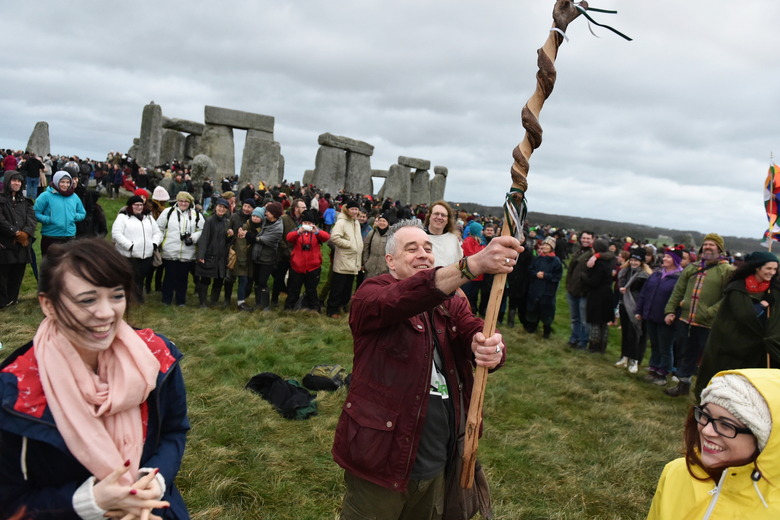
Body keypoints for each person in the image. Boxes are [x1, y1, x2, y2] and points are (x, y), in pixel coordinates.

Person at [332, 219, 521, 520]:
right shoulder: (371, 295)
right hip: (382, 457)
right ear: (390, 261)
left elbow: (473, 329)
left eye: (427, 248)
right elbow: (402, 298)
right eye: (411, 249)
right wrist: (471, 265)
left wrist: (489, 348)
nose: (423, 254)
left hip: (439, 454)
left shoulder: (451, 300)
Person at [0, 238, 190, 519]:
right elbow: (9, 503)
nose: (106, 313)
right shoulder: (14, 394)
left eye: (116, 295)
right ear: (48, 304)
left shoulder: (157, 358)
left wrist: (153, 481)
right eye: (87, 299)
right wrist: (89, 502)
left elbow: (174, 430)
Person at [646, 369, 780, 519]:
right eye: (705, 415)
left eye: (726, 425)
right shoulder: (677, 472)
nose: (707, 431)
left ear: (767, 441)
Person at [693, 251, 780, 398]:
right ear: (757, 267)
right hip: (734, 345)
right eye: (768, 268)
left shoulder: (775, 290)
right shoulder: (737, 288)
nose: (772, 272)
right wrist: (764, 304)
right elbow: (744, 315)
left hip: (760, 349)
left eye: (775, 269)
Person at [664, 233, 734, 397]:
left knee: (708, 359)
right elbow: (678, 290)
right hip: (686, 320)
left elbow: (728, 297)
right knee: (686, 354)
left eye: (712, 245)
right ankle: (683, 386)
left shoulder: (727, 270)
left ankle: (706, 393)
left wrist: (710, 312)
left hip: (708, 324)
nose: (708, 247)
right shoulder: (692, 268)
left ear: (719, 249)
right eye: (706, 244)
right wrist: (670, 310)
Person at [635, 247, 684, 386]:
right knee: (655, 344)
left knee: (665, 346)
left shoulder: (679, 278)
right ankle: (653, 368)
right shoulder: (656, 274)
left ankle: (663, 372)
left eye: (669, 257)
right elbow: (644, 293)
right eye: (665, 256)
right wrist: (640, 310)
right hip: (651, 315)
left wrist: (672, 314)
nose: (665, 259)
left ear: (675, 261)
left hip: (666, 319)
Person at [111, 195, 163, 303]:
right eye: (136, 205)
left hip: (146, 254)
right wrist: (129, 246)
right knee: (129, 277)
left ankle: (138, 298)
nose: (139, 207)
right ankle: (125, 298)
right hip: (128, 255)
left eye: (141, 205)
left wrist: (154, 244)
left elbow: (157, 232)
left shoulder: (148, 217)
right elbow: (116, 234)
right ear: (130, 206)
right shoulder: (123, 217)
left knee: (140, 278)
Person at [157, 192, 203, 306]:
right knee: (169, 277)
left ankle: (180, 300)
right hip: (170, 250)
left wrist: (193, 238)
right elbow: (159, 228)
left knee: (183, 278)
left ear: (190, 202)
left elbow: (202, 230)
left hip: (187, 252)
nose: (183, 203)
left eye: (186, 201)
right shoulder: (168, 212)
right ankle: (166, 299)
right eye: (181, 201)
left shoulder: (196, 215)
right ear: (177, 201)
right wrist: (158, 243)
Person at [0, 171, 36, 308]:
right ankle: (2, 303)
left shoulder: (25, 202)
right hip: (5, 243)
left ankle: (12, 299)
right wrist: (15, 232)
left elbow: (31, 219)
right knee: (3, 275)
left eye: (19, 181)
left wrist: (26, 234)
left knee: (17, 273)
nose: (17, 183)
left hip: (22, 244)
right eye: (14, 181)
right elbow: (1, 220)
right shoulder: (1, 200)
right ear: (8, 181)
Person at [614, 246, 651, 373]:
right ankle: (624, 357)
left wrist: (640, 311)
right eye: (632, 260)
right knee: (625, 333)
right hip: (624, 305)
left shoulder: (644, 276)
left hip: (635, 308)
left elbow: (645, 294)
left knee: (634, 334)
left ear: (641, 262)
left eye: (636, 260)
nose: (633, 263)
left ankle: (634, 360)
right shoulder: (624, 272)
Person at [284, 210, 330, 312]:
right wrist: (298, 232)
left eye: (309, 223)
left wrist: (316, 231)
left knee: (311, 290)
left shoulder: (316, 232)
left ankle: (314, 308)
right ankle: (289, 307)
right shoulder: (297, 231)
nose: (307, 225)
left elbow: (326, 237)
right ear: (302, 223)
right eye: (305, 223)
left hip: (313, 267)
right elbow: (289, 237)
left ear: (313, 224)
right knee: (293, 289)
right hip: (297, 266)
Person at [33, 171, 86, 256]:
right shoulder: (46, 196)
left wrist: (75, 216)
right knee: (50, 265)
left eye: (68, 182)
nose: (65, 185)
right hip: (51, 236)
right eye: (62, 182)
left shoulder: (74, 196)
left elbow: (82, 212)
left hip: (70, 236)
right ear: (56, 181)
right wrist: (47, 219)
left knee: (68, 265)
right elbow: (35, 212)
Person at [326, 200, 363, 318]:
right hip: (343, 259)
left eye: (356, 209)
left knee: (347, 287)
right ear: (347, 210)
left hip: (354, 260)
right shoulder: (341, 222)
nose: (354, 211)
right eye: (352, 209)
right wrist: (349, 244)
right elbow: (334, 237)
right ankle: (332, 310)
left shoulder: (356, 222)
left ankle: (342, 306)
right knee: (338, 287)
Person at [195, 198, 233, 308]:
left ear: (226, 210)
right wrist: (201, 255)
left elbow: (226, 241)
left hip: (221, 256)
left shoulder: (227, 222)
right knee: (205, 279)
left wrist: (229, 236)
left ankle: (214, 301)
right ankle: (202, 303)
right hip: (210, 254)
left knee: (219, 279)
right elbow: (204, 238)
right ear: (216, 207)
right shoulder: (210, 221)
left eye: (224, 207)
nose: (221, 209)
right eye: (220, 206)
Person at [582, 238, 616, 354]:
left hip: (597, 294)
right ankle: (603, 346)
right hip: (607, 293)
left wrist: (584, 277)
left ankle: (594, 345)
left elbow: (594, 281)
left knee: (595, 321)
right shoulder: (611, 260)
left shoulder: (598, 263)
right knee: (604, 322)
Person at [525, 236, 563, 338]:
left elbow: (557, 276)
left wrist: (546, 275)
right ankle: (532, 327)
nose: (545, 246)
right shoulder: (537, 259)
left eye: (548, 245)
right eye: (544, 244)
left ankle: (547, 331)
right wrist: (535, 274)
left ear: (552, 247)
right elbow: (530, 270)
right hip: (535, 288)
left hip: (547, 291)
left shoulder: (556, 261)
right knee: (533, 308)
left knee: (546, 311)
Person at [565, 231, 595, 350]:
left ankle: (583, 342)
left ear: (593, 240)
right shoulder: (578, 251)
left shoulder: (593, 253)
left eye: (588, 238)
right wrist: (568, 285)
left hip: (584, 292)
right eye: (584, 238)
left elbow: (609, 255)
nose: (585, 240)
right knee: (574, 318)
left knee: (584, 320)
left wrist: (596, 256)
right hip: (572, 289)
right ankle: (574, 338)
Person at [251, 202, 284, 311]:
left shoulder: (278, 228)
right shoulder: (265, 221)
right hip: (257, 256)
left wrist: (249, 236)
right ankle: (258, 303)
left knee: (262, 281)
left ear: (274, 214)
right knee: (257, 280)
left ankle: (265, 306)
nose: (266, 213)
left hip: (268, 258)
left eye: (268, 212)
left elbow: (263, 239)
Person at [235, 207, 264, 312]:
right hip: (243, 258)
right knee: (243, 280)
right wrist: (242, 259)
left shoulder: (261, 228)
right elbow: (240, 244)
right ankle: (240, 303)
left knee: (248, 280)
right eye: (254, 216)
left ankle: (243, 299)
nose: (255, 218)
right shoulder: (245, 227)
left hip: (252, 258)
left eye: (258, 217)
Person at [423, 201, 462, 267]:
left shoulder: (453, 239)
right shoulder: (420, 237)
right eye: (436, 214)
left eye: (443, 215)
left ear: (447, 220)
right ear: (429, 216)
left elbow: (458, 264)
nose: (439, 217)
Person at [362, 212, 392, 279]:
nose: (382, 223)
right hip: (370, 268)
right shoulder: (372, 233)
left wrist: (388, 265)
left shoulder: (391, 236)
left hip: (385, 269)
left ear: (388, 223)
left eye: (384, 221)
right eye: (380, 221)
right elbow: (366, 248)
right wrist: (366, 262)